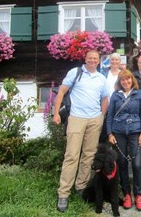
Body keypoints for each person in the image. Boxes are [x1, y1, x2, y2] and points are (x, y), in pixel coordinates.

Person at [53, 50, 109, 213]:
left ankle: (81, 187)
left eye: (95, 59)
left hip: (94, 120)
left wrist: (101, 115)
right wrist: (56, 113)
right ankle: (63, 193)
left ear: (99, 61)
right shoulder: (75, 72)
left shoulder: (101, 78)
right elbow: (62, 91)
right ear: (85, 59)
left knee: (89, 155)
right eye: (90, 58)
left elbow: (105, 98)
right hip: (76, 118)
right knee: (71, 155)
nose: (92, 61)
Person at [106, 69, 141, 211]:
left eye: (128, 79)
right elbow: (110, 115)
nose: (126, 82)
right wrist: (109, 133)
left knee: (136, 164)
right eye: (123, 79)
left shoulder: (139, 94)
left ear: (132, 80)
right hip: (118, 133)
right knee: (122, 163)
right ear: (119, 82)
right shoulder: (115, 95)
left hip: (135, 132)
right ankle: (127, 194)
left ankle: (138, 195)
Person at [99, 53, 122, 144]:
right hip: (105, 106)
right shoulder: (103, 73)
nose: (114, 62)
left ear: (120, 62)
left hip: (119, 107)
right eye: (112, 59)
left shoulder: (123, 73)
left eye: (117, 60)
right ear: (110, 61)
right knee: (104, 131)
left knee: (117, 132)